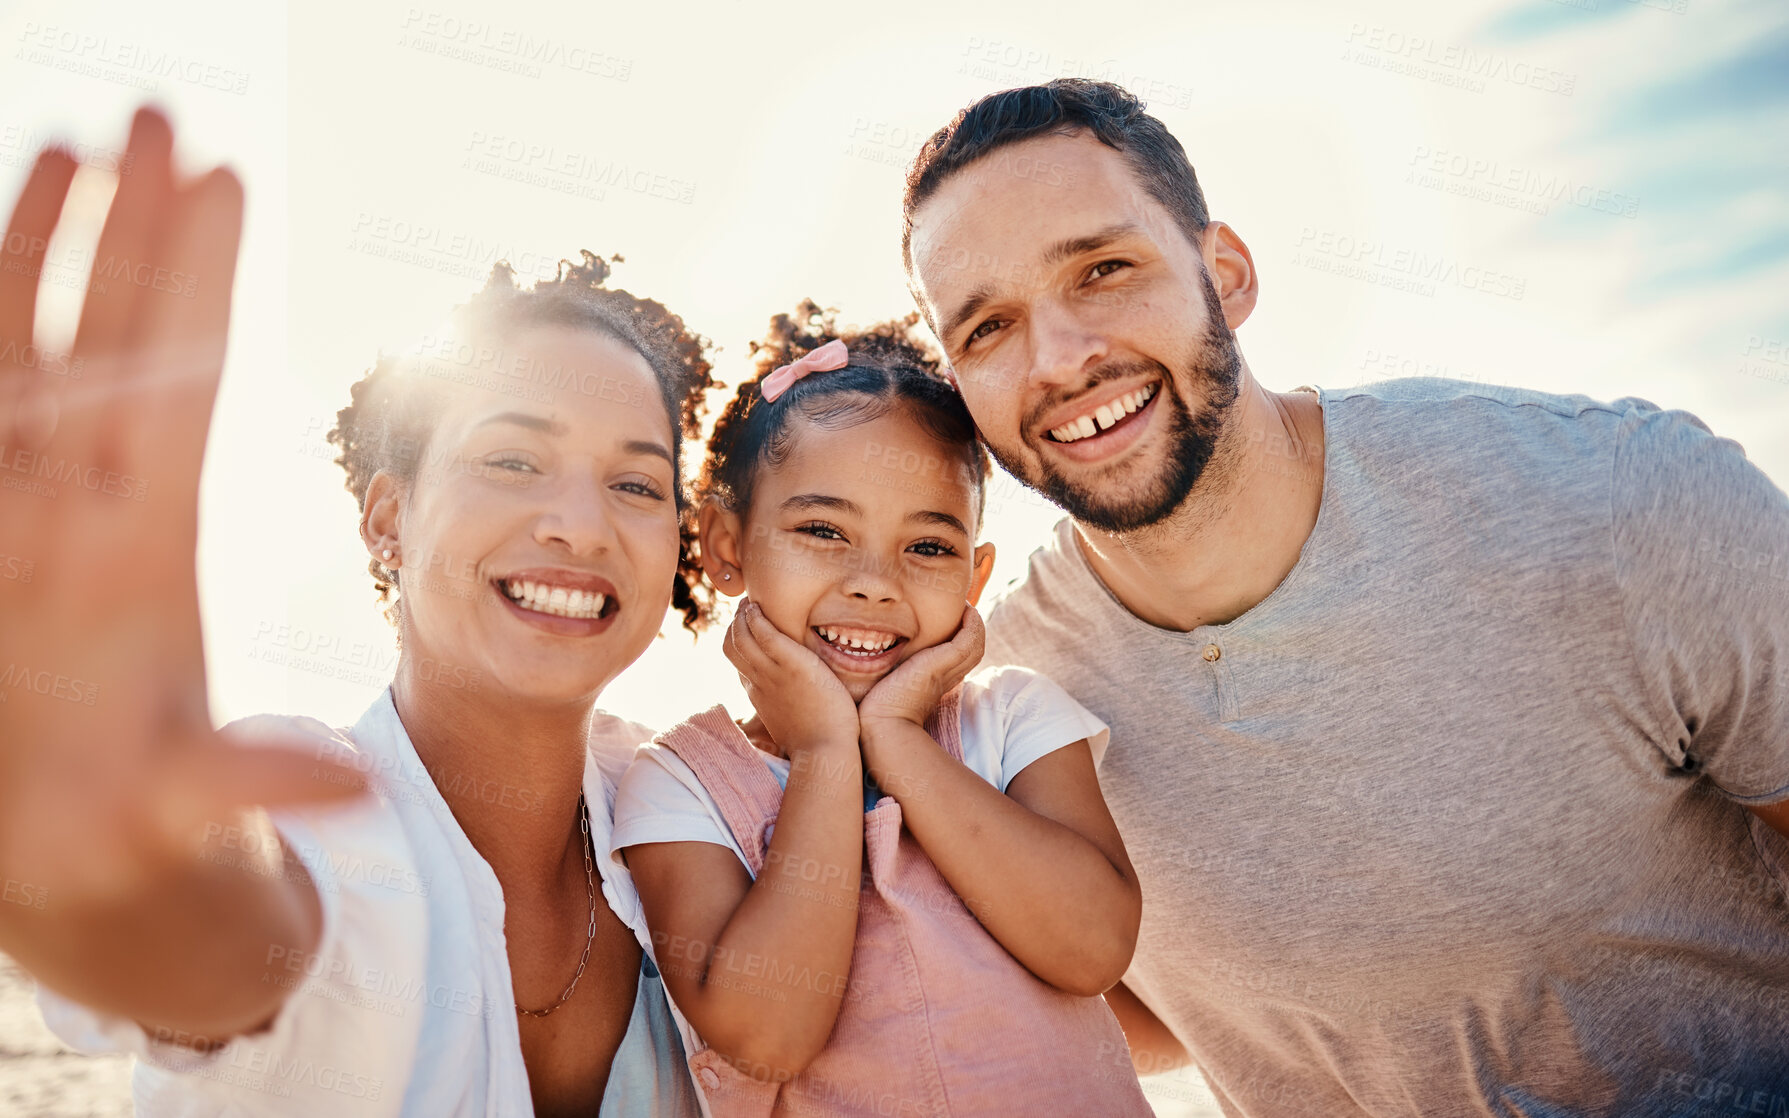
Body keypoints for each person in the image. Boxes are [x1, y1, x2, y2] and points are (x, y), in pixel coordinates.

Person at [899, 79, 1789, 1115]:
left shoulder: (1617, 504)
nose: (1060, 358)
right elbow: (1131, 998)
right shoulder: (1000, 704)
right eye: (988, 327)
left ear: (1224, 274)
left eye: (1103, 269)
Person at [0, 109, 708, 1116]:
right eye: (512, 460)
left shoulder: (696, 816)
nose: (580, 524)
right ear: (389, 518)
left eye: (637, 485)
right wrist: (121, 880)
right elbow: (216, 941)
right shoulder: (322, 807)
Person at [612, 304, 1155, 1116]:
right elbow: (768, 1035)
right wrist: (828, 754)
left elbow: (1091, 951)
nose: (875, 581)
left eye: (928, 547)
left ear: (973, 580)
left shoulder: (1011, 723)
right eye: (823, 530)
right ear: (726, 545)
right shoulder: (679, 784)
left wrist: (897, 739)